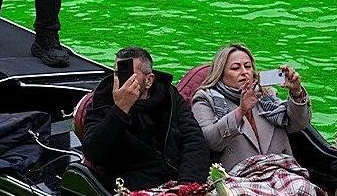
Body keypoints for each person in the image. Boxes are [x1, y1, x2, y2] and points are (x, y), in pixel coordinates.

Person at [191, 44, 320, 195]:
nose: (244, 72)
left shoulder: (267, 96)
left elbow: (299, 124)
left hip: (281, 169)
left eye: (248, 66)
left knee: (302, 188)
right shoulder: (205, 99)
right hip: (239, 176)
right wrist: (241, 111)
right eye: (235, 68)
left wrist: (296, 92)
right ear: (220, 73)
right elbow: (210, 141)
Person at [82, 47, 210, 191]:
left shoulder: (168, 97)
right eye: (118, 74)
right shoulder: (102, 100)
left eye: (129, 75)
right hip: (131, 186)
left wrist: (187, 184)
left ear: (149, 80)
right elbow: (93, 152)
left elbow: (194, 140)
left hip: (176, 178)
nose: (122, 81)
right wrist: (120, 109)